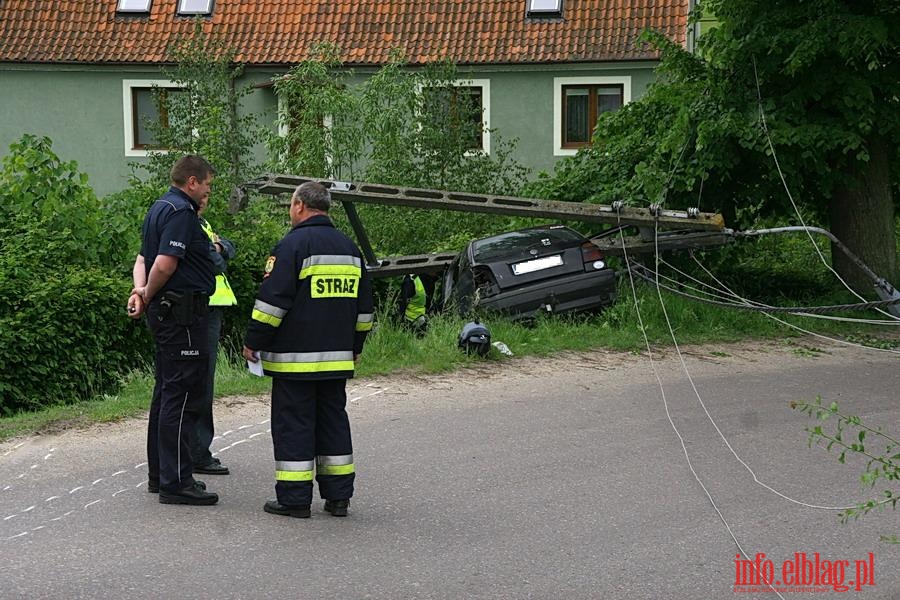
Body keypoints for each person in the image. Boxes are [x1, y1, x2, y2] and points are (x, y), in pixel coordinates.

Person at [243, 181, 374, 519]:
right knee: (333, 423)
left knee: (294, 425)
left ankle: (294, 499)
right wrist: (355, 347)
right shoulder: (350, 249)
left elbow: (272, 304)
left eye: (291, 205)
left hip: (294, 362)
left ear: (299, 205)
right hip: (337, 360)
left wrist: (254, 341)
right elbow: (364, 311)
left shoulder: (291, 246)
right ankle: (339, 498)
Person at [127, 154, 219, 506]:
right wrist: (147, 294)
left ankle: (160, 475)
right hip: (182, 317)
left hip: (168, 315)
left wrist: (141, 293)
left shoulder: (159, 208)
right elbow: (164, 264)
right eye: (207, 184)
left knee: (166, 393)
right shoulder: (181, 212)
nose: (208, 189)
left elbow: (142, 260)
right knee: (181, 396)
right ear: (192, 182)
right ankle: (177, 481)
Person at [192, 200, 237, 476]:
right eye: (206, 191)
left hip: (211, 308)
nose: (208, 198)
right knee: (199, 383)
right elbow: (217, 262)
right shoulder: (189, 224)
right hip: (202, 309)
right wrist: (218, 250)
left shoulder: (204, 225)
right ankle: (197, 452)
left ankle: (195, 450)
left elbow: (227, 246)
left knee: (200, 381)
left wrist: (219, 247)